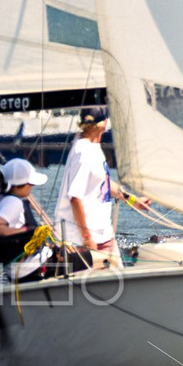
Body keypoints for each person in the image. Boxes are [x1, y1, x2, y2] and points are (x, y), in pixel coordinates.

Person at [56, 111, 121, 271]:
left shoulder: (92, 146)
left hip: (102, 234)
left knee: (118, 284)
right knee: (109, 288)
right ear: (103, 124)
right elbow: (75, 198)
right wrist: (87, 238)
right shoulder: (83, 153)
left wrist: (130, 198)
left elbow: (101, 181)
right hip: (81, 239)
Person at [0, 157, 52, 279]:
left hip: (21, 269)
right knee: (92, 258)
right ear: (19, 185)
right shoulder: (13, 203)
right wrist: (27, 231)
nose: (32, 186)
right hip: (33, 268)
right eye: (30, 183)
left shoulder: (1, 200)